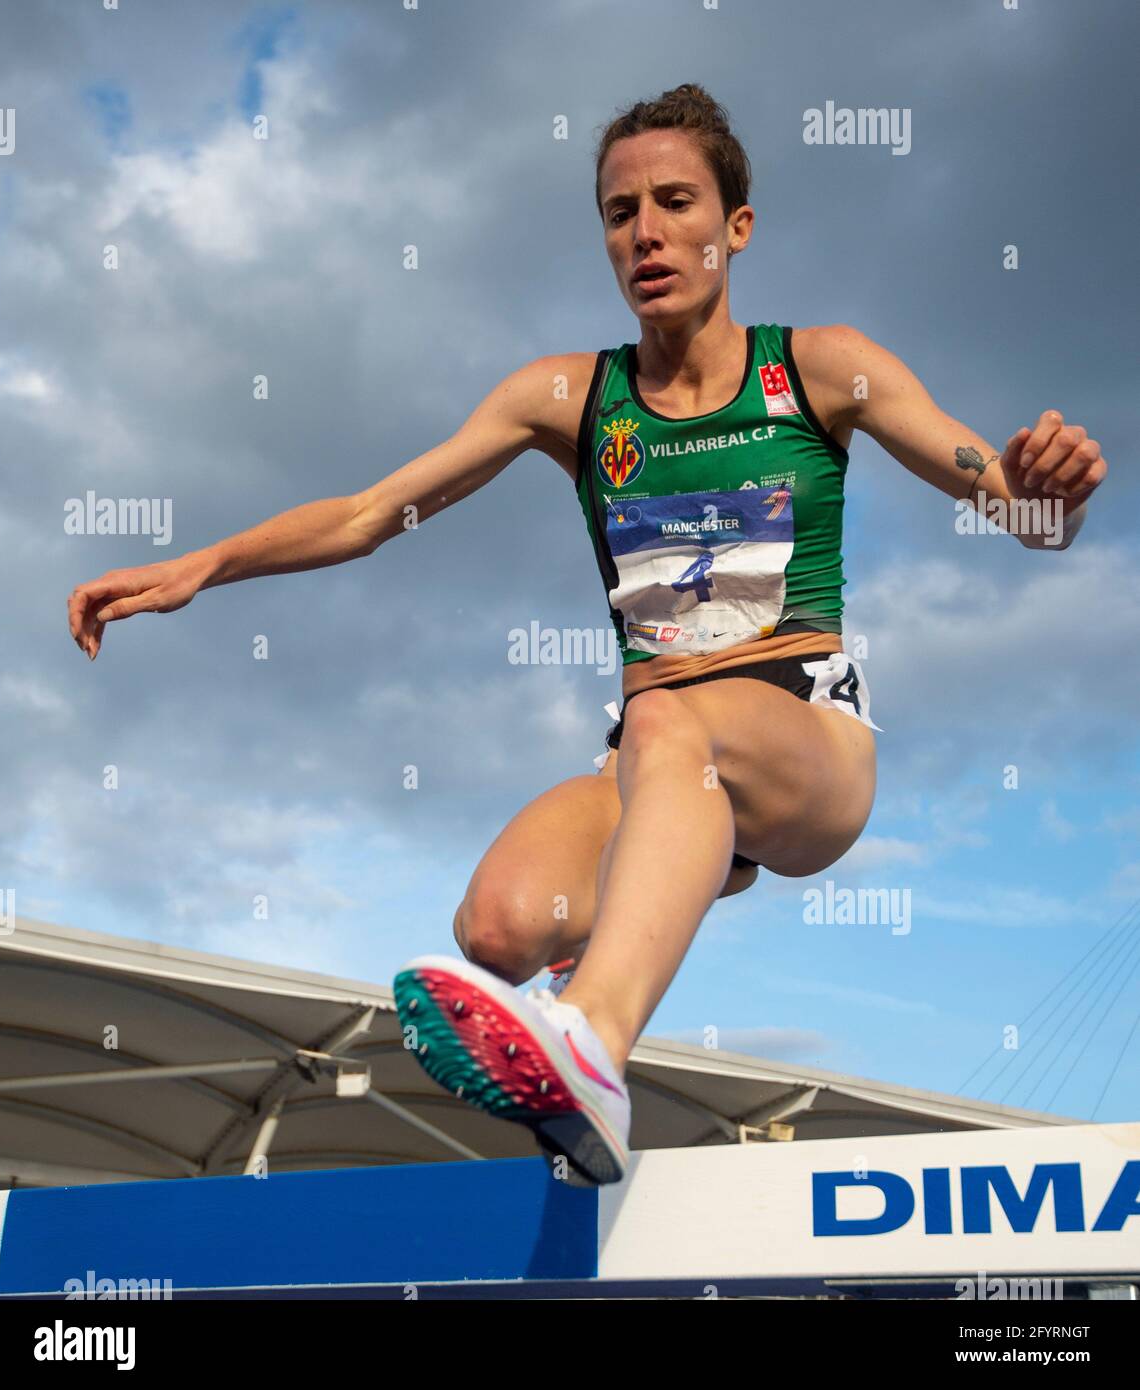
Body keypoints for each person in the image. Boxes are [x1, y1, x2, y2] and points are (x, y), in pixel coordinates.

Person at [68, 85, 1106, 1188]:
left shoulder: (820, 367)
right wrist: (203, 565)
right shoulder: (568, 398)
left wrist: (1051, 494)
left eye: (674, 203)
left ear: (734, 228)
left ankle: (594, 1045)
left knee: (669, 724)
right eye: (620, 212)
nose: (646, 233)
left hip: (803, 741)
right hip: (655, 756)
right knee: (500, 925)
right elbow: (372, 513)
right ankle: (643, 940)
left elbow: (1018, 510)